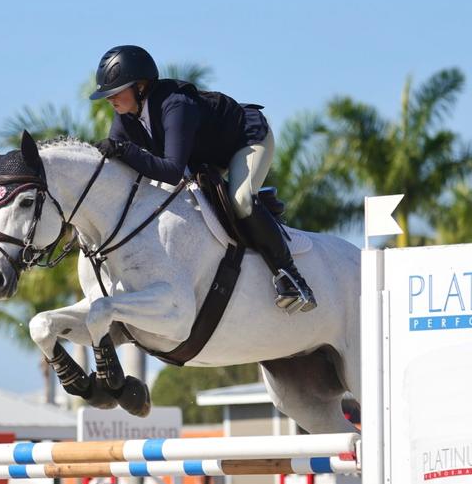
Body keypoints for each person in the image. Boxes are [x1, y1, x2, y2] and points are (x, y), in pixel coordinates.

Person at [88, 44, 315, 312]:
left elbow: (171, 171)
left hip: (246, 139)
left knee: (240, 200)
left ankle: (291, 277)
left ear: (140, 86)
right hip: (202, 159)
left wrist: (125, 151)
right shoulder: (125, 117)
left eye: (116, 91)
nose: (109, 99)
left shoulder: (175, 105)